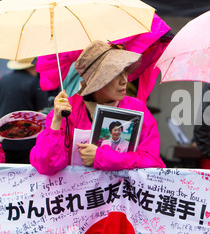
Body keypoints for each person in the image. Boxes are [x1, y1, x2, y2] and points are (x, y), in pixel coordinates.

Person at [30, 40, 165, 175]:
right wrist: (56, 122)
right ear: (96, 82)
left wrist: (102, 157)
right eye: (116, 74)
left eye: (125, 71)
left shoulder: (136, 108)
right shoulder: (66, 111)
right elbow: (47, 166)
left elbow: (152, 161)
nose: (125, 80)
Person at [0, 58, 50, 163]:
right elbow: (43, 111)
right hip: (27, 143)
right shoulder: (34, 83)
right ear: (34, 67)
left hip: (4, 139)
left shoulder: (4, 80)